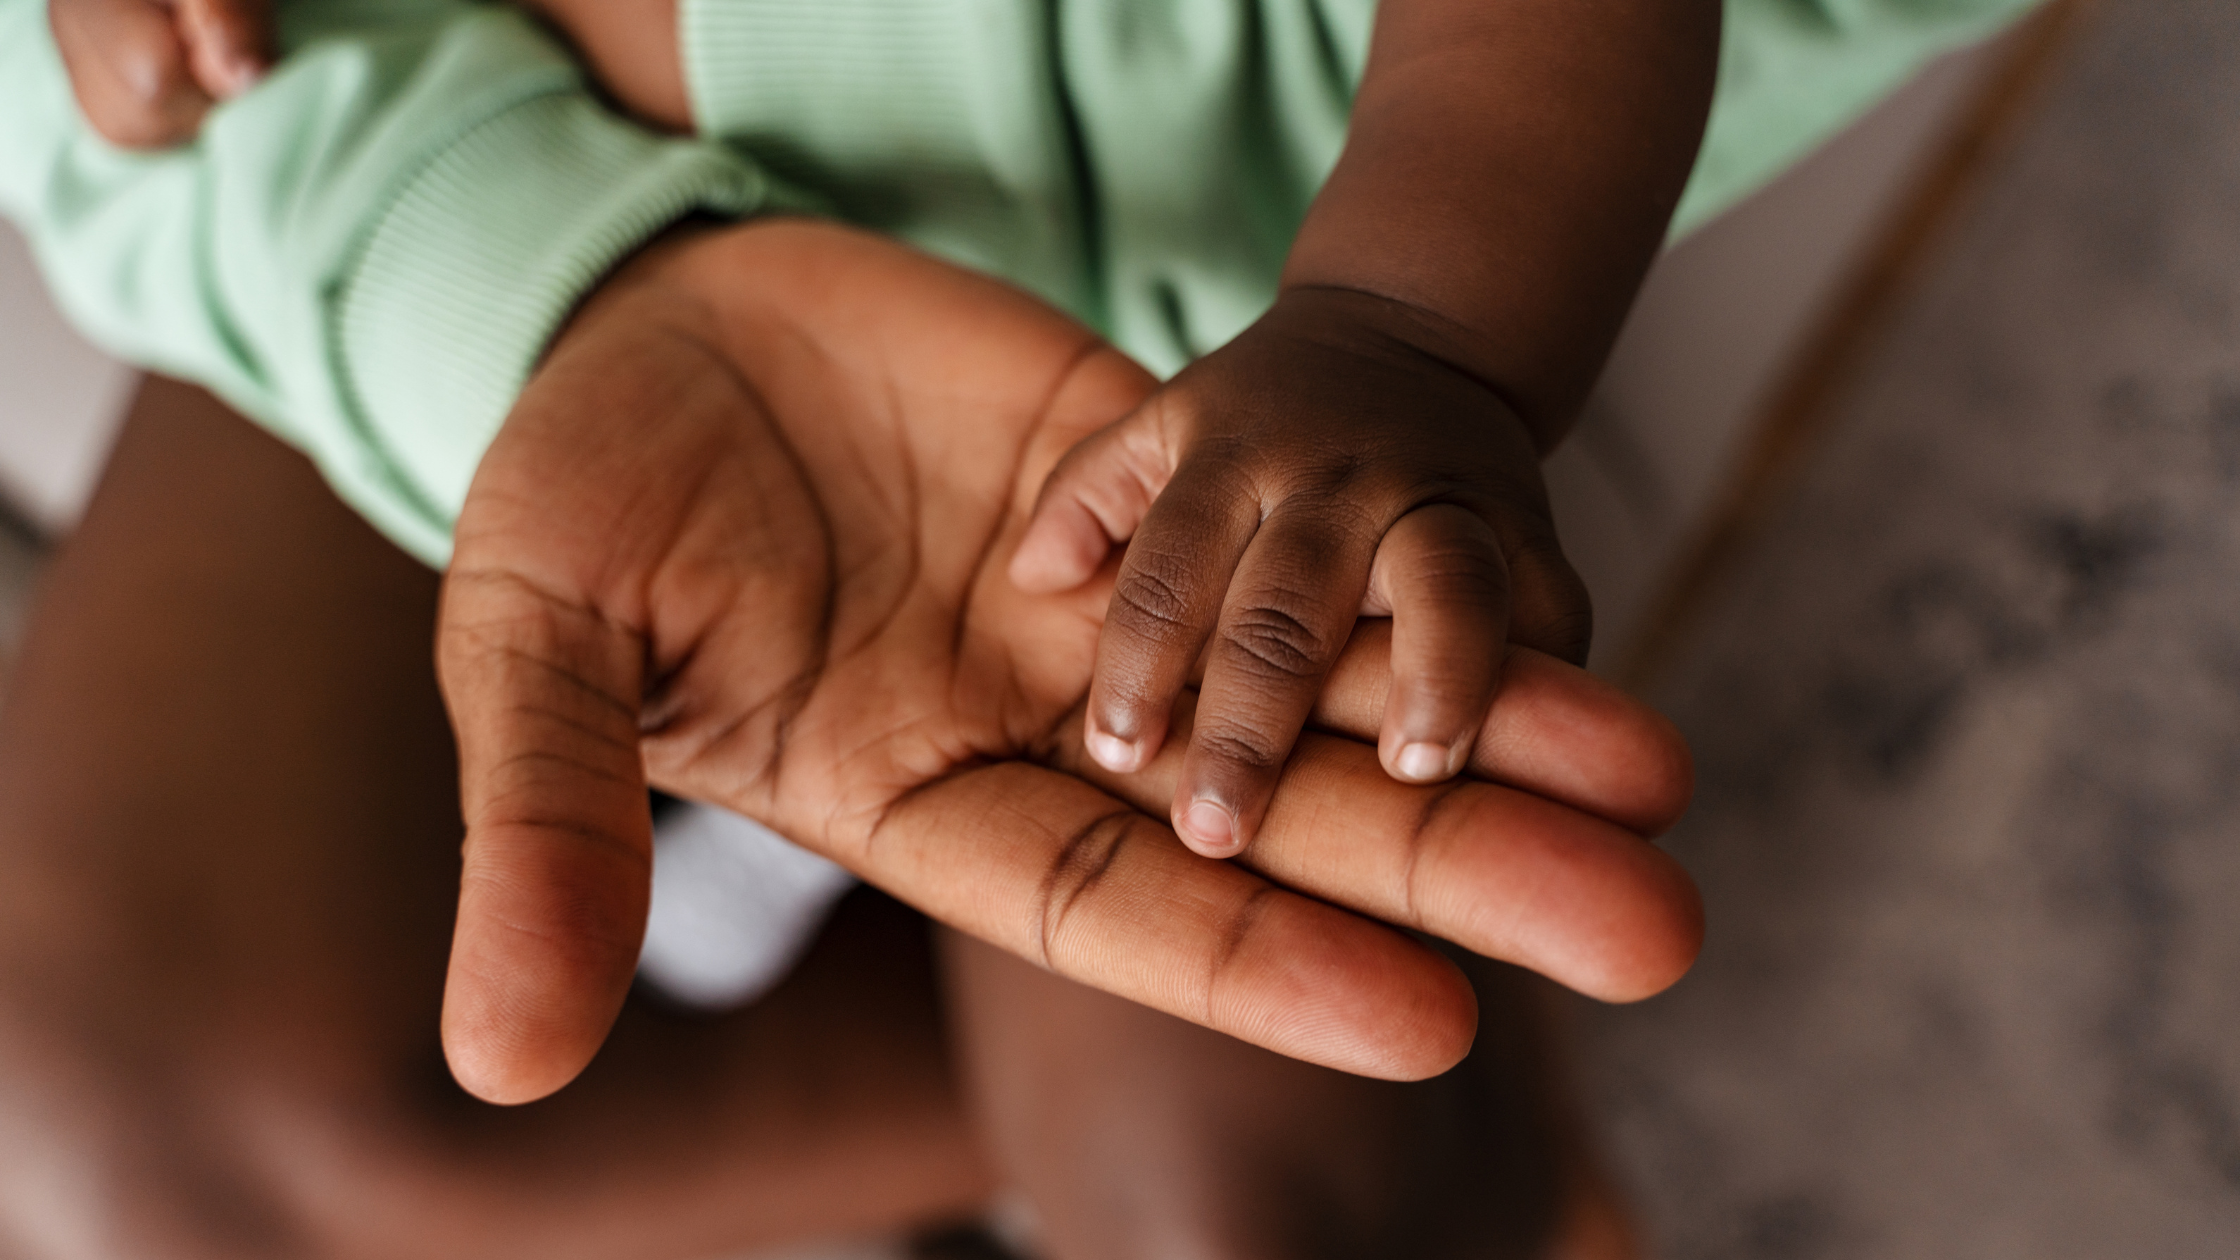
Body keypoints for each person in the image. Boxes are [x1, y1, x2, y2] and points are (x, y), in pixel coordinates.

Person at [0, 0, 2039, 1254]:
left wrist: (1418, 330)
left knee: (1243, 1220)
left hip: (1294, 266)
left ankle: (1450, 1178)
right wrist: (523, 280)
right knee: (131, 1143)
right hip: (467, 154)